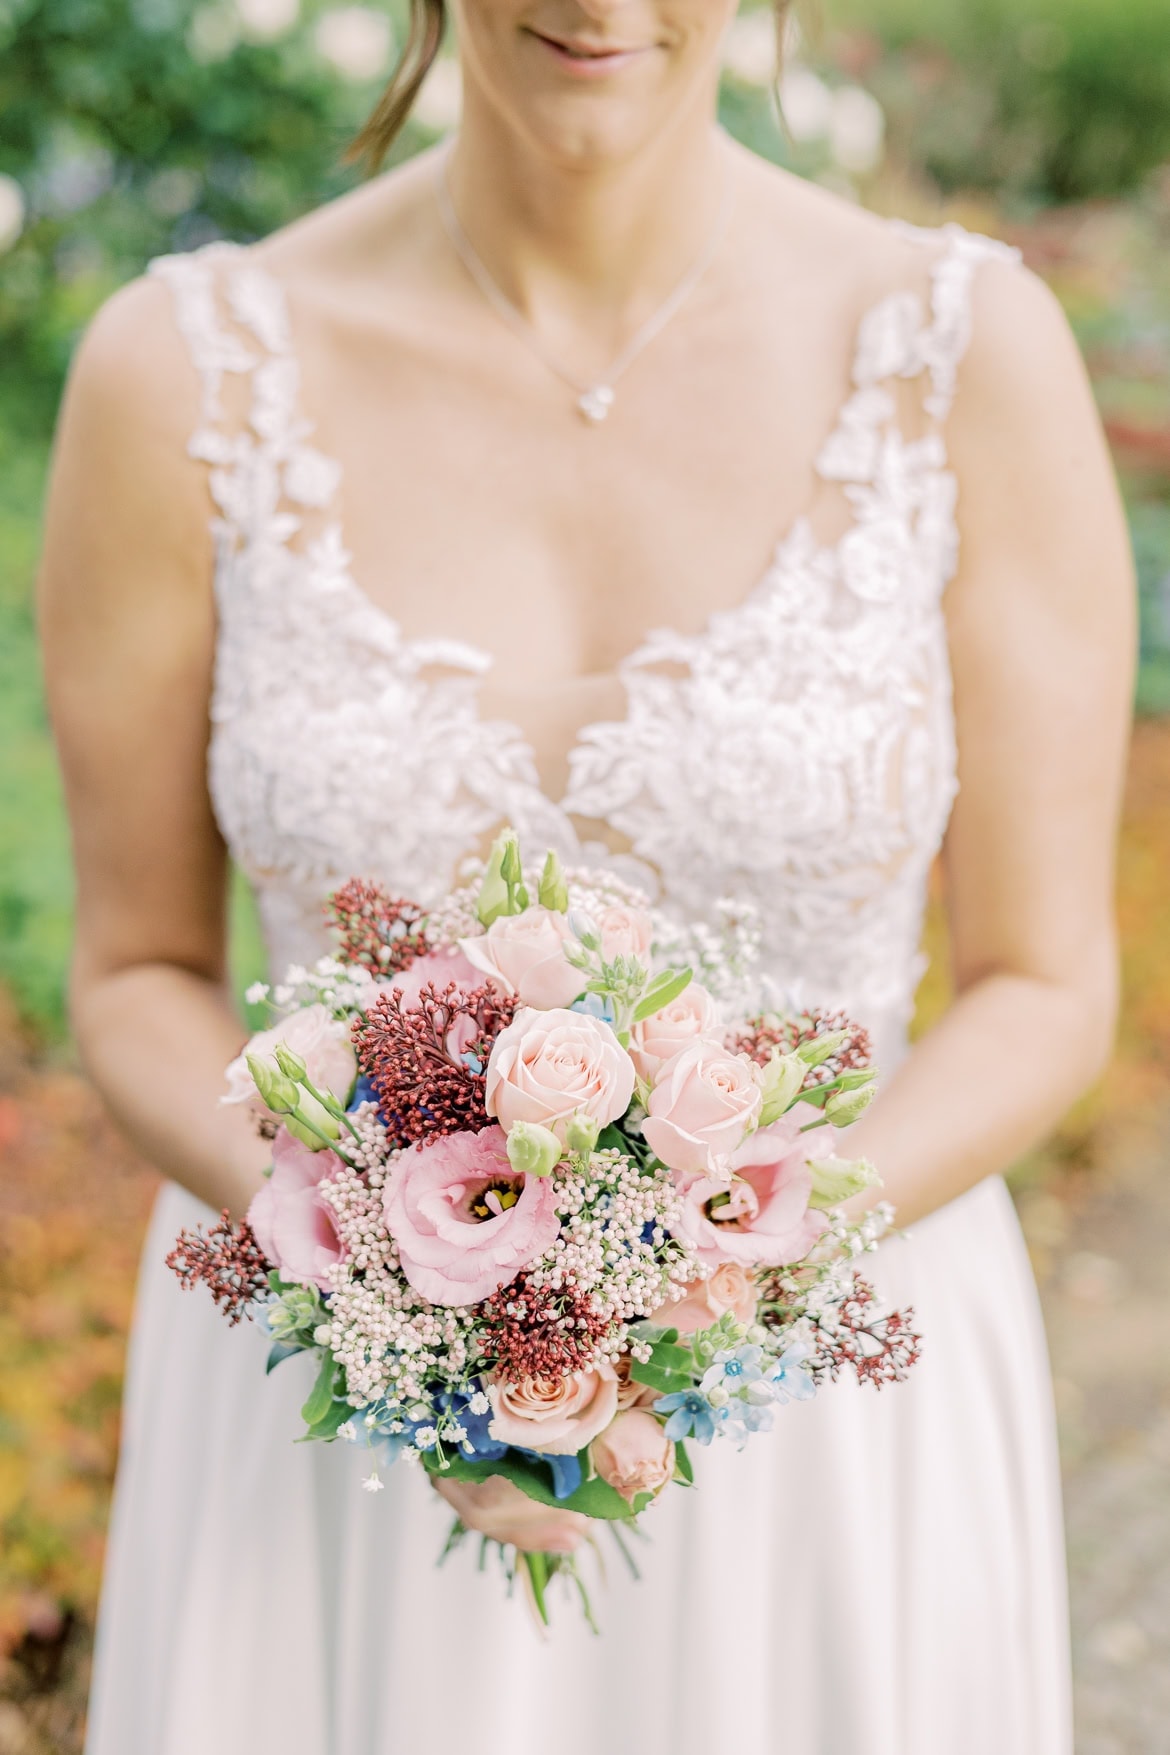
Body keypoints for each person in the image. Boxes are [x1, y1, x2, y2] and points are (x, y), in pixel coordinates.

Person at [39, 2, 1134, 1751]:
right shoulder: (182, 374)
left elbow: (1044, 981)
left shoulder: (956, 353)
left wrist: (722, 1278)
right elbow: (138, 967)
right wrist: (386, 1275)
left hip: (827, 1418)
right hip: (332, 1420)